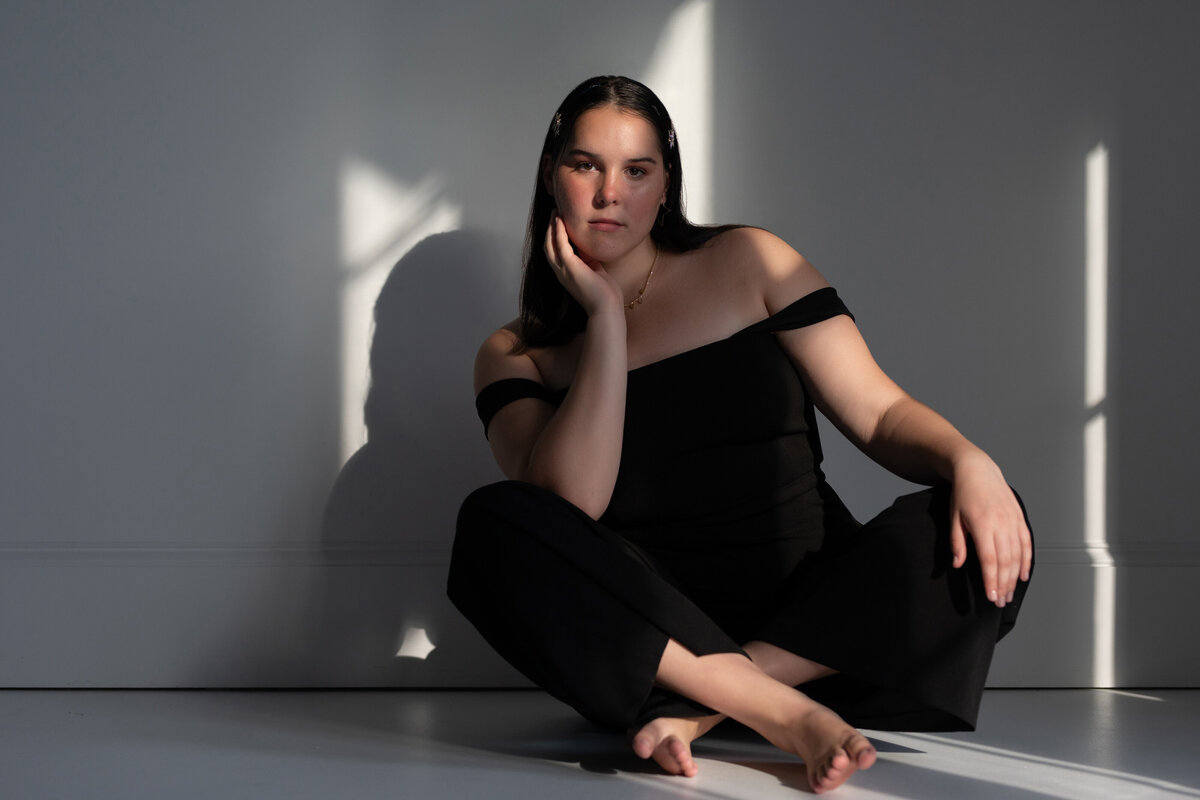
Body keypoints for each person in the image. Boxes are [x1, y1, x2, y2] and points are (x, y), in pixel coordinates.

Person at [447, 75, 1032, 794]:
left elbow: (878, 414)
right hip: (656, 648)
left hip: (831, 635)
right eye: (585, 165)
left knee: (986, 508)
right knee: (492, 523)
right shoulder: (515, 354)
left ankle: (718, 707)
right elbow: (574, 501)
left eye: (637, 170)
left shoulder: (752, 261)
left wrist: (970, 461)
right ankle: (775, 712)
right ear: (551, 174)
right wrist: (603, 318)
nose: (610, 193)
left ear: (667, 184)